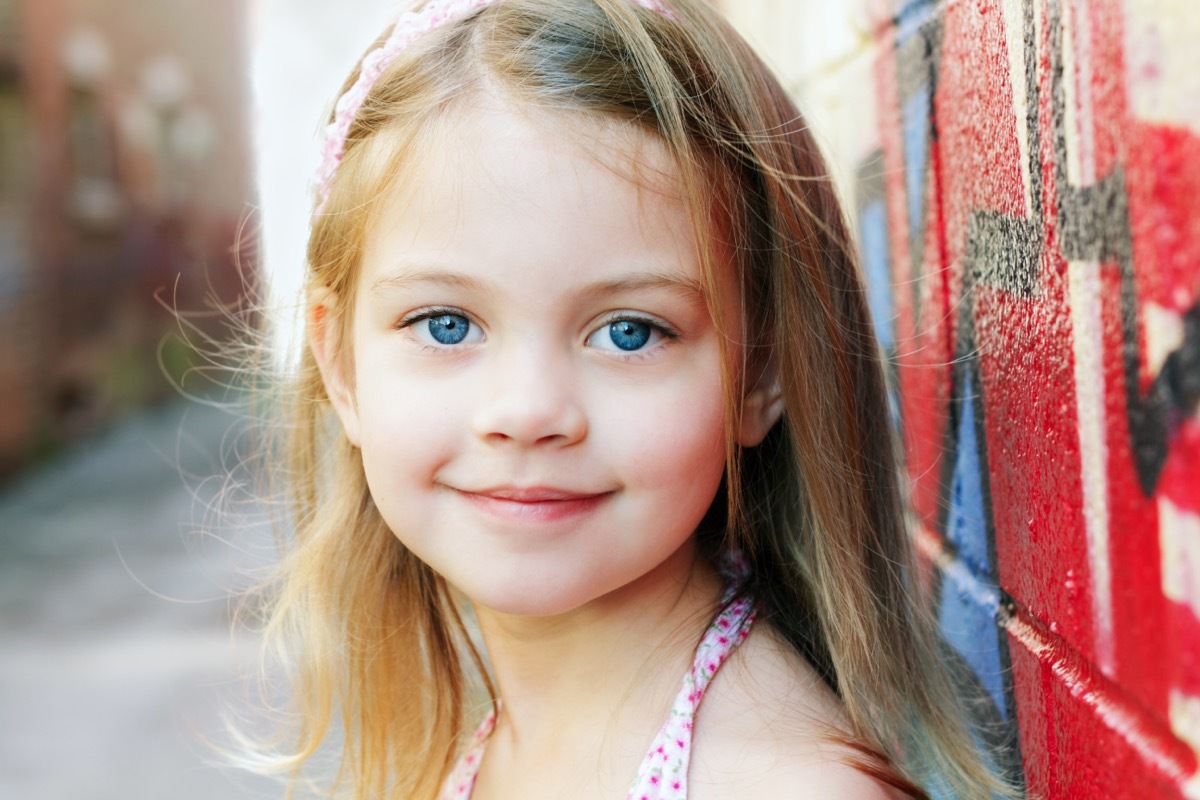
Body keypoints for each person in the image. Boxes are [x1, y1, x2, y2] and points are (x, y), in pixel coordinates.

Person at [242, 0, 1017, 797]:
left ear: (761, 372)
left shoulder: (778, 785)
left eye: (629, 332)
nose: (526, 412)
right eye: (445, 324)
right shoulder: (504, 738)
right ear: (340, 365)